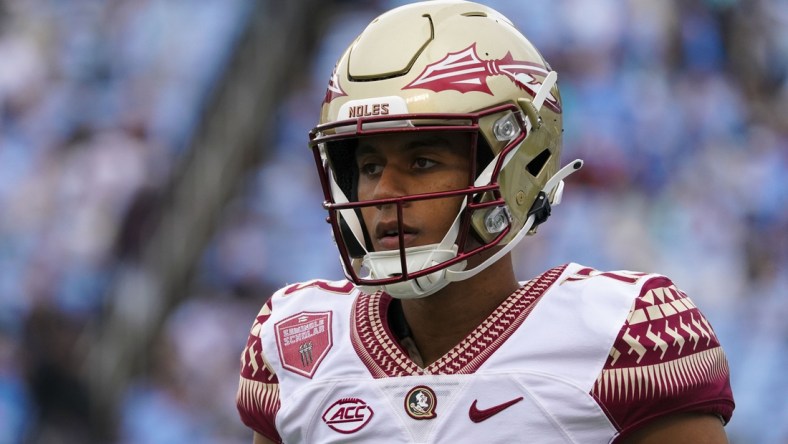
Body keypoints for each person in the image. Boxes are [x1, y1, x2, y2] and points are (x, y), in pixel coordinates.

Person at [236, 1, 735, 442]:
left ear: (516, 165)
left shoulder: (623, 336)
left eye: (422, 162)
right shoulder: (297, 341)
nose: (384, 193)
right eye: (369, 167)